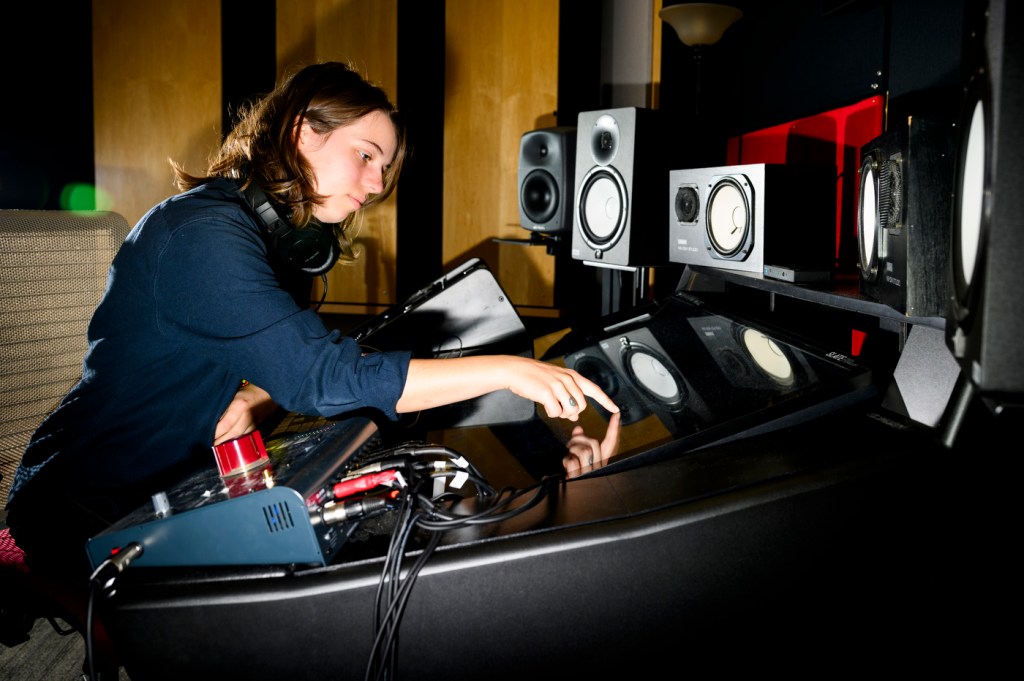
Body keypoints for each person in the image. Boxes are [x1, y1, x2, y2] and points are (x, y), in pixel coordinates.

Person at [4, 61, 618, 583]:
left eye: (384, 169)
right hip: (81, 502)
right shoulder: (199, 234)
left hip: (167, 484)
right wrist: (509, 371)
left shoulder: (259, 236)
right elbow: (319, 376)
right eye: (366, 156)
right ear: (301, 133)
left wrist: (256, 398)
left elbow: (282, 364)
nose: (376, 186)